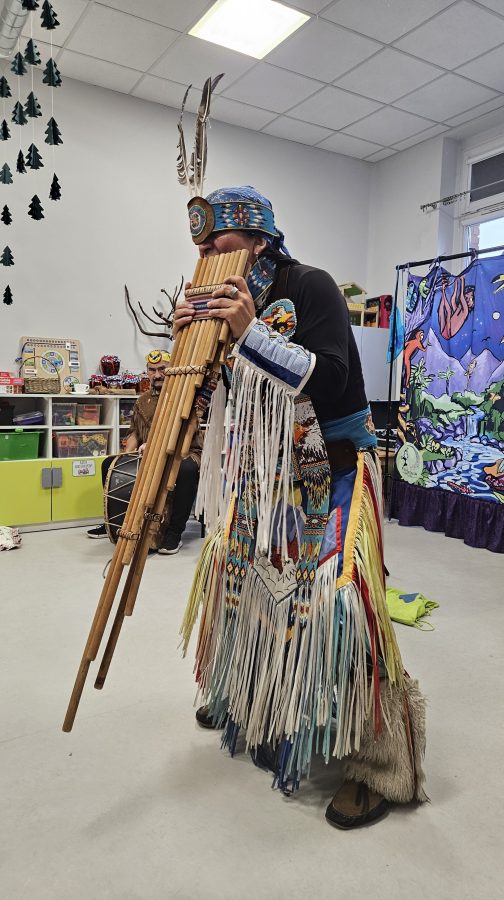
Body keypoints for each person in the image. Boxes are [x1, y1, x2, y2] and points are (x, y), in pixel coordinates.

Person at [177, 186, 427, 830]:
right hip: (263, 477)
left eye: (219, 245)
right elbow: (229, 396)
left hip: (334, 470)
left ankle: (381, 766)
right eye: (200, 249)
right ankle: (251, 701)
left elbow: (334, 379)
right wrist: (192, 350)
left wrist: (249, 332)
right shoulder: (223, 304)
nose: (207, 258)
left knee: (345, 607)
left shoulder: (311, 285)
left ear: (258, 240)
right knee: (246, 587)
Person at [87, 350, 201, 555]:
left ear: (172, 369)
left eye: (162, 369)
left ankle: (174, 532)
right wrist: (124, 455)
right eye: (152, 370)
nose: (157, 375)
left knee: (186, 470)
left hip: (183, 452)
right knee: (109, 463)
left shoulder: (186, 397)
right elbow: (134, 432)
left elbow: (184, 433)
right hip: (148, 453)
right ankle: (115, 521)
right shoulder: (142, 400)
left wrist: (156, 445)